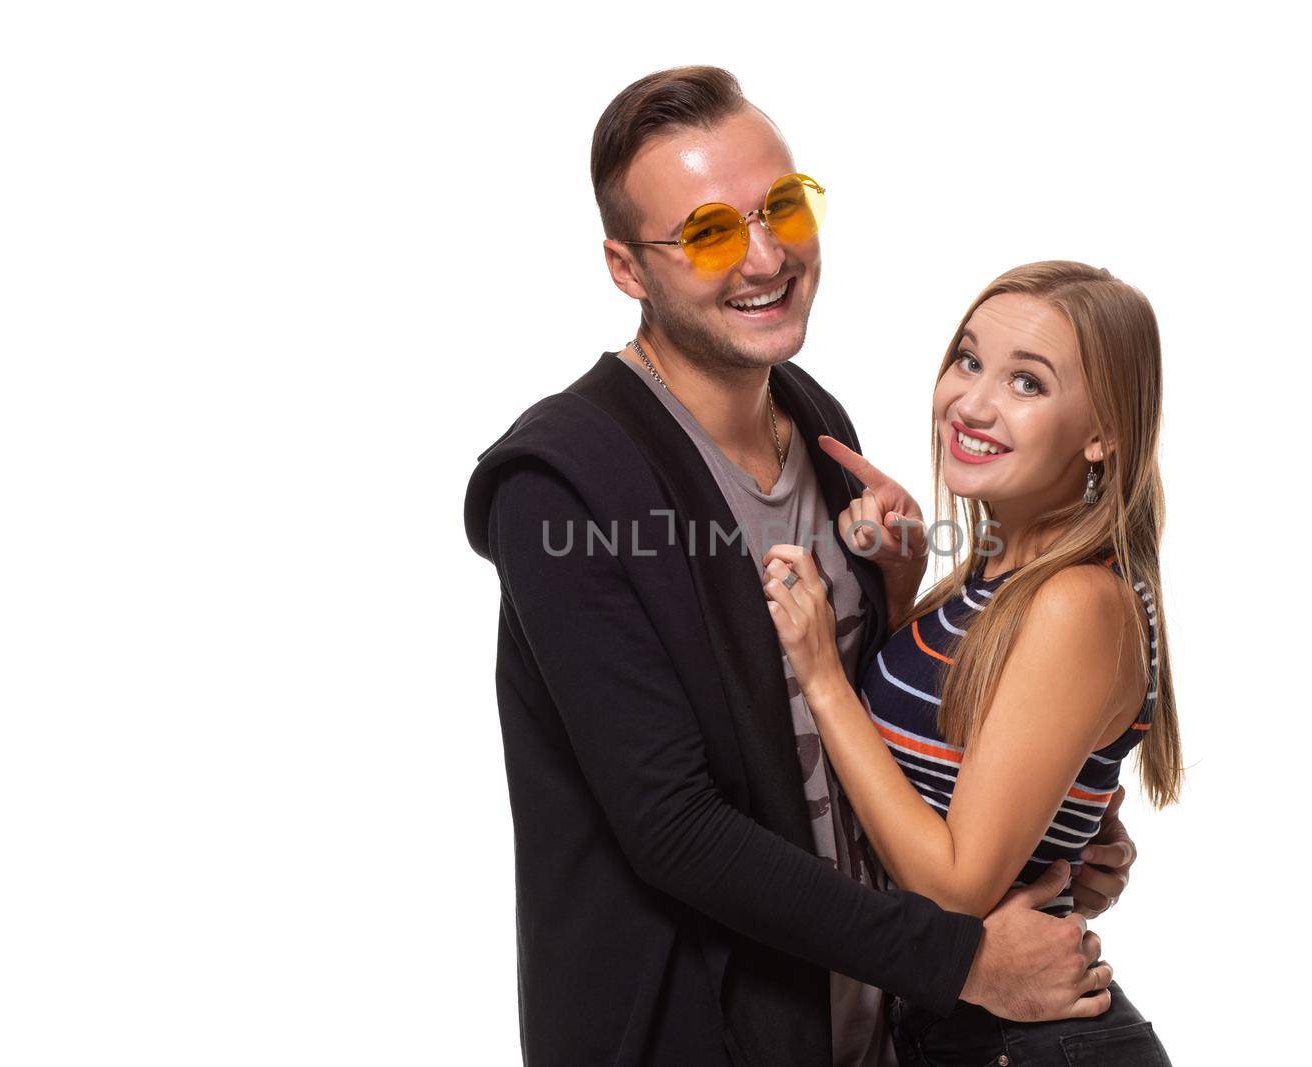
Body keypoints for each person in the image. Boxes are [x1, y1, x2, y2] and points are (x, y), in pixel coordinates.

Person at [462, 68, 1141, 1066]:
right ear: (626, 266)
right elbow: (675, 826)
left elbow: (858, 734)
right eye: (708, 233)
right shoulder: (562, 486)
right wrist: (958, 957)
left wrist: (1060, 819)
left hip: (871, 1031)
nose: (766, 255)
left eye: (781, 206)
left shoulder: (818, 426)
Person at [761, 261, 1178, 1064]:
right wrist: (900, 581)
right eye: (968, 359)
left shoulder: (1076, 603)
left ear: (1102, 432)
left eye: (1027, 382)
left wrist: (821, 674)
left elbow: (955, 886)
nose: (973, 402)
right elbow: (943, 764)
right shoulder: (993, 578)